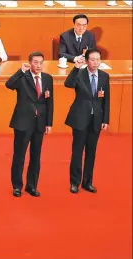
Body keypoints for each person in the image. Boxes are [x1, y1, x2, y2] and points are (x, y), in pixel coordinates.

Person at [5, 52, 54, 197]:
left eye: (40, 62)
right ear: (30, 63)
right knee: (19, 155)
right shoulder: (23, 77)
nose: (38, 65)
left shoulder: (47, 78)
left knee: (36, 156)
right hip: (23, 122)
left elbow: (50, 101)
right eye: (35, 62)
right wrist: (20, 71)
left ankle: (31, 185)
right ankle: (17, 186)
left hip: (39, 123)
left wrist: (49, 122)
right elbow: (9, 84)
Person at [64, 49, 109, 194]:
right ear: (87, 61)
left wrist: (105, 119)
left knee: (91, 152)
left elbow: (106, 100)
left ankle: (87, 182)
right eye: (93, 59)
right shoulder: (80, 74)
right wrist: (76, 67)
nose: (96, 62)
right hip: (80, 118)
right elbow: (68, 84)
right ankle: (74, 182)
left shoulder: (104, 76)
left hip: (96, 120)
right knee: (77, 152)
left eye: (98, 59)